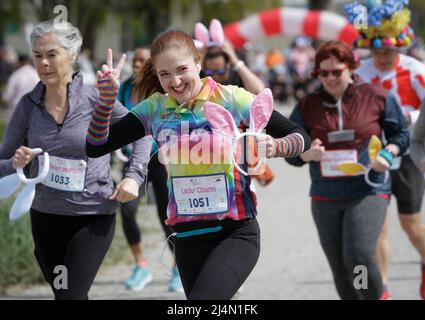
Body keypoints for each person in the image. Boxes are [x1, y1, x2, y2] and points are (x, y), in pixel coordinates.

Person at [86, 30, 311, 299]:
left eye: (182, 69)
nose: (176, 81)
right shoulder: (154, 109)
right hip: (187, 238)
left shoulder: (230, 98)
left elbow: (301, 136)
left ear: (198, 63)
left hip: (234, 234)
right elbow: (97, 146)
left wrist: (278, 146)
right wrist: (106, 103)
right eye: (165, 74)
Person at [0, 21, 146, 300]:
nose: (43, 62)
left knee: (71, 296)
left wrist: (133, 176)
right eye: (37, 55)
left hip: (92, 215)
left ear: (73, 55)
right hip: (46, 218)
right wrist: (20, 163)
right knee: (64, 295)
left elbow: (142, 133)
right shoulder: (28, 106)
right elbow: (4, 162)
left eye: (52, 54)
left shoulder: (96, 99)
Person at [286, 40, 409, 300]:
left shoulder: (376, 96)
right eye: (323, 73)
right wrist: (306, 154)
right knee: (340, 268)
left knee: (358, 256)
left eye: (336, 71)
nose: (330, 78)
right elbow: (291, 152)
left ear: (350, 68)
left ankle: (375, 297)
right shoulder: (307, 105)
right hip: (325, 196)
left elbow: (400, 134)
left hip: (367, 189)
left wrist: (388, 154)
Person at [345, 0, 425, 299]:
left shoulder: (416, 70)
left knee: (412, 226)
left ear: (400, 48)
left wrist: (410, 117)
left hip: (405, 155)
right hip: (372, 157)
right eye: (377, 51)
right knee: (377, 228)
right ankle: (382, 290)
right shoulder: (360, 72)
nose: (382, 57)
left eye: (389, 52)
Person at [116, 46, 183, 292]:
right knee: (126, 210)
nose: (136, 64)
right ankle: (140, 264)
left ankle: (178, 267)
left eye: (143, 61)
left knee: (168, 217)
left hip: (161, 160)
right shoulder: (123, 88)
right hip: (132, 161)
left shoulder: (162, 91)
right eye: (134, 60)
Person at [2, 54, 39, 123]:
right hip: (34, 111)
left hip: (17, 111)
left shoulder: (16, 75)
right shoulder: (37, 75)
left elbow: (7, 96)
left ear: (19, 62)